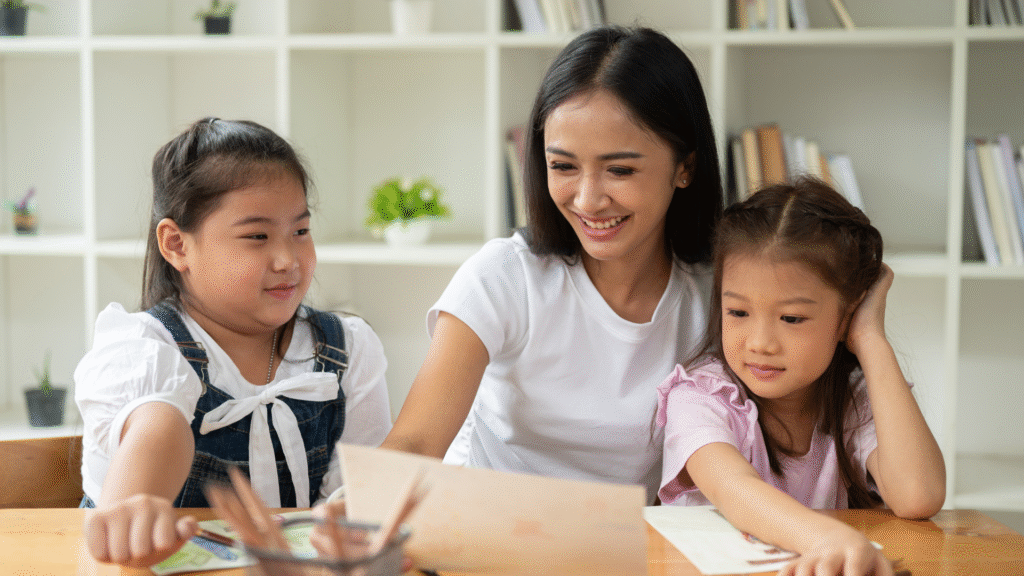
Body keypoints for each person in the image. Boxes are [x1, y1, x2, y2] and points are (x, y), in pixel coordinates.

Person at [381, 25, 723, 501]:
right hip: (489, 534)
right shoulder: (504, 277)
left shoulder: (720, 295)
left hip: (632, 549)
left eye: (620, 169)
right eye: (562, 166)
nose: (588, 199)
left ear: (685, 166)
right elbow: (416, 441)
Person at [74, 118, 392, 567]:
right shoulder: (143, 348)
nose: (288, 260)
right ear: (176, 245)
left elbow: (356, 491)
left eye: (300, 231)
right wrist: (138, 505)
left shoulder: (347, 348)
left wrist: (352, 518)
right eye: (257, 237)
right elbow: (157, 428)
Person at [656, 177, 946, 575]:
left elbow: (918, 495)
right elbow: (735, 491)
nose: (760, 343)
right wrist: (827, 538)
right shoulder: (700, 396)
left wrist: (869, 338)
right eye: (738, 312)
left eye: (791, 318)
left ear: (845, 316)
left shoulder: (855, 399)